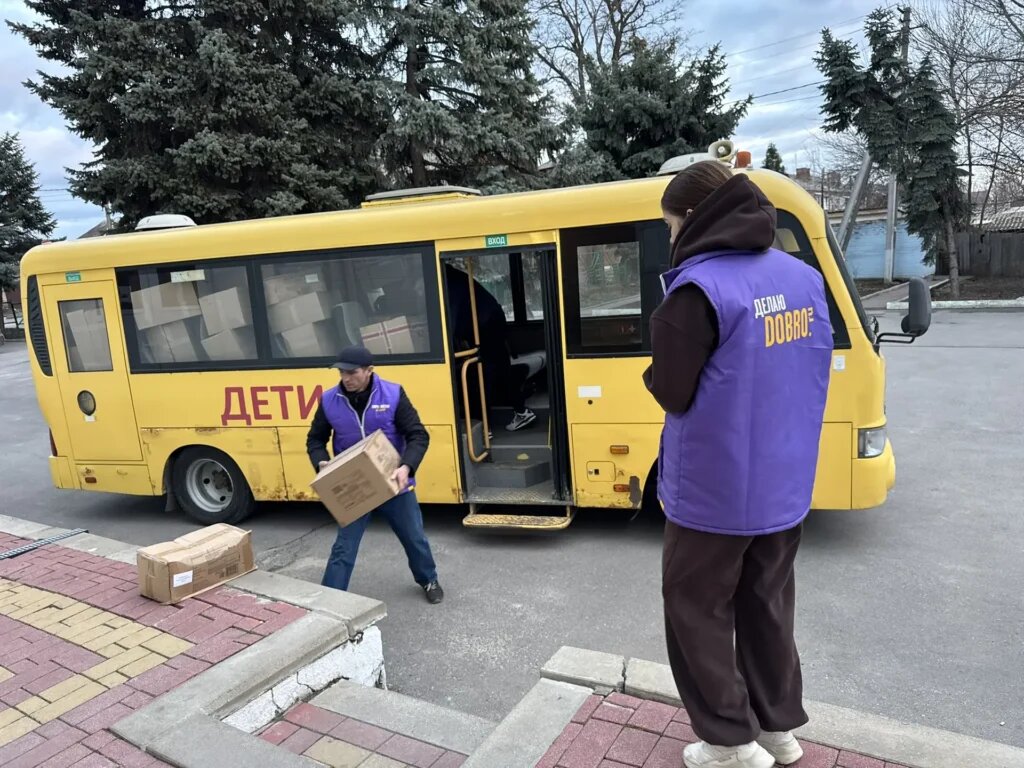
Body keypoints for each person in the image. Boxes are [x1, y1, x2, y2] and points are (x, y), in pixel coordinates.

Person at [644, 161, 833, 768]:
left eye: (672, 223)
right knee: (767, 604)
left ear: (693, 219)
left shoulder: (696, 291)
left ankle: (729, 742)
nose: (671, 236)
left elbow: (672, 390)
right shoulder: (803, 279)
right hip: (784, 485)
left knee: (695, 609)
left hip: (713, 494)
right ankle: (778, 730)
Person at [306, 345, 444, 604]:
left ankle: (429, 579)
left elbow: (418, 435)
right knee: (343, 548)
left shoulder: (393, 394)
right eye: (341, 372)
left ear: (369, 371)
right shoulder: (329, 400)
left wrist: (406, 467)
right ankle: (330, 601)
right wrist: (321, 463)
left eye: (352, 372)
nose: (346, 378)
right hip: (354, 487)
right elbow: (315, 439)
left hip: (395, 483)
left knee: (414, 539)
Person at [443, 263, 535, 431]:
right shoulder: (457, 278)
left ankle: (484, 427)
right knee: (501, 371)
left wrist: (445, 344)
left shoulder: (449, 284)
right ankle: (521, 411)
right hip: (492, 322)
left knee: (480, 376)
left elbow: (451, 319)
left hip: (485, 327)